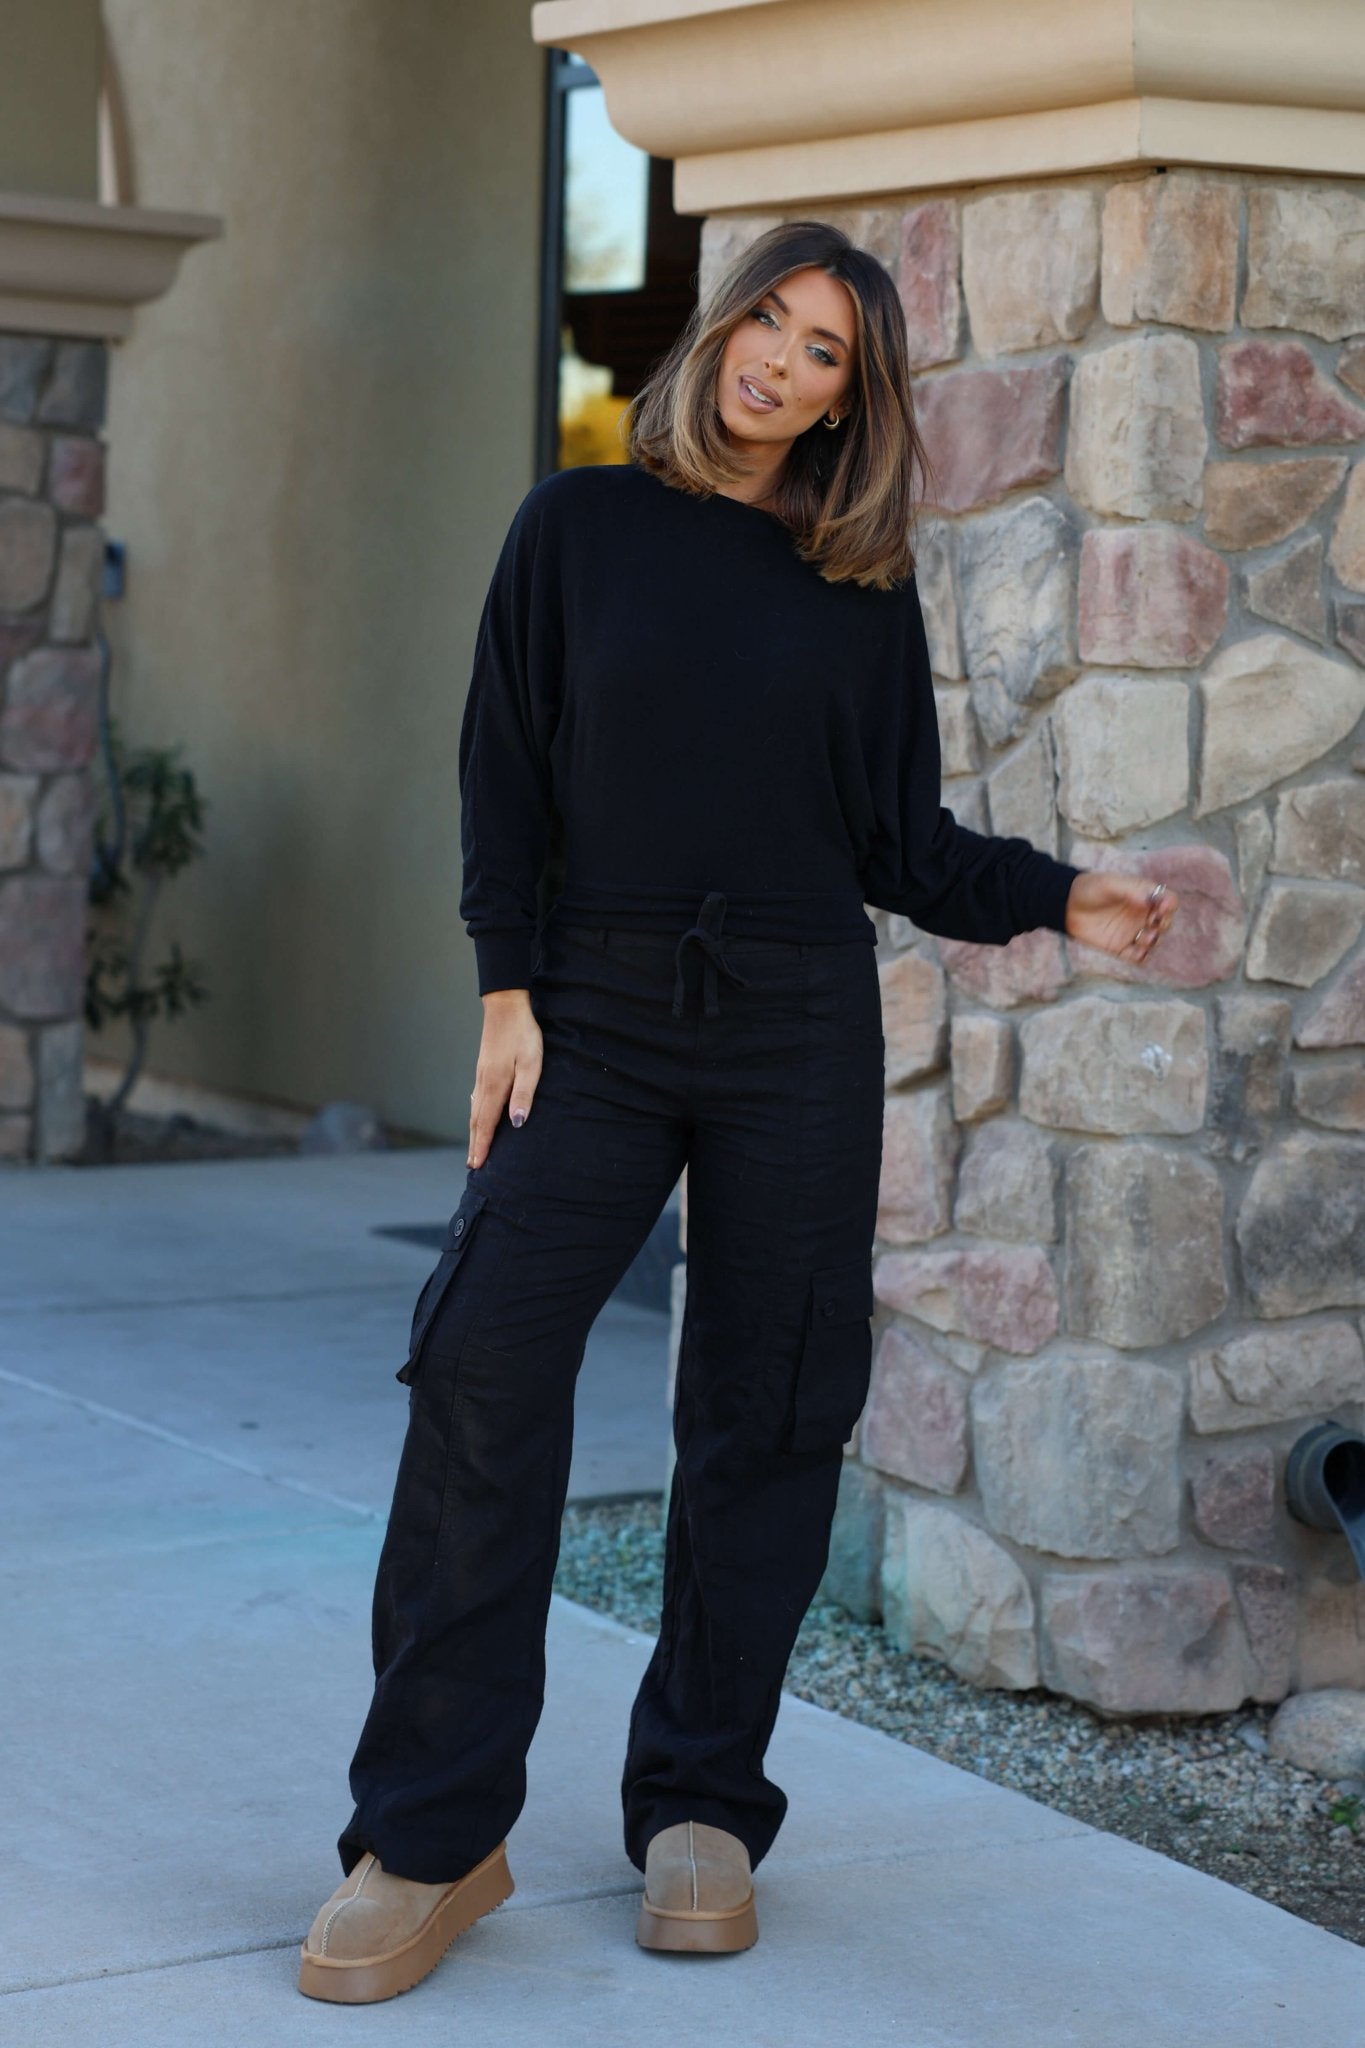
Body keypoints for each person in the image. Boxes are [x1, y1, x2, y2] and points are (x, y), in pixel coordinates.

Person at [297, 219, 1178, 2004]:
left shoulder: (853, 584)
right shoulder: (575, 531)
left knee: (769, 1406)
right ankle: (433, 1830)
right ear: (717, 333)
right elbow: (503, 768)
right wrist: (502, 989)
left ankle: (700, 1804)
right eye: (766, 322)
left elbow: (899, 843)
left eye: (825, 351)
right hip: (596, 1015)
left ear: (857, 398)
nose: (780, 362)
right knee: (481, 1362)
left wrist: (1057, 893)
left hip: (793, 1022)